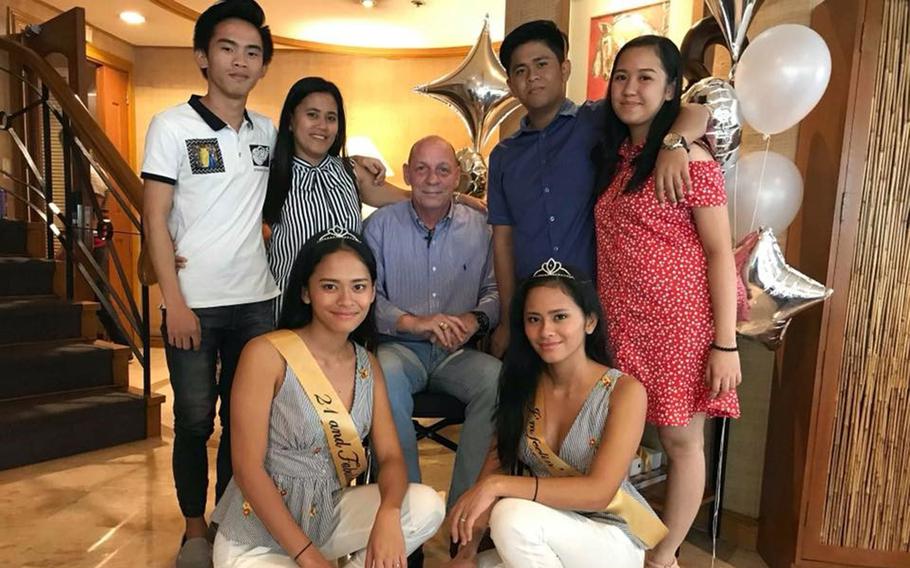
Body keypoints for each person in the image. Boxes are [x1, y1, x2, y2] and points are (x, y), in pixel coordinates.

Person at [212, 227, 445, 567]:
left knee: (425, 506)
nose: (346, 300)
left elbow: (392, 457)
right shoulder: (266, 354)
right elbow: (247, 469)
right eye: (329, 286)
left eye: (359, 287)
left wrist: (389, 513)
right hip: (257, 535)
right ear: (306, 292)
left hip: (327, 518)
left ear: (372, 293)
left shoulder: (369, 367)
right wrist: (309, 558)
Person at [593, 36, 741, 568]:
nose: (630, 88)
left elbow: (721, 254)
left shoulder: (690, 158)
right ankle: (628, 542)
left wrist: (725, 345)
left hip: (678, 326)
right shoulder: (623, 156)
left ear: (670, 87)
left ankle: (665, 556)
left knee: (680, 444)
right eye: (621, 75)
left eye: (646, 77)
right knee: (619, 439)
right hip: (625, 327)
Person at [141, 1, 278, 564]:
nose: (240, 61)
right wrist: (172, 301)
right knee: (195, 419)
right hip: (193, 304)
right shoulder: (172, 125)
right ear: (203, 56)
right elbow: (154, 216)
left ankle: (228, 519)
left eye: (252, 52)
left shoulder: (268, 131)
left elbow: (318, 164)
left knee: (244, 421)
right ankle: (195, 526)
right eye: (228, 48)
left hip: (258, 303)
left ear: (263, 65)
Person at [487, 20, 710, 357]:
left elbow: (697, 111)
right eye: (520, 70)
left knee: (597, 401)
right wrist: (506, 319)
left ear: (565, 69)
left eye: (542, 64)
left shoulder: (598, 120)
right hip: (534, 311)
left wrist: (674, 144)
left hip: (596, 305)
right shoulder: (503, 156)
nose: (532, 76)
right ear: (510, 84)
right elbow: (502, 240)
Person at [444, 260, 665, 568]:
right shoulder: (522, 387)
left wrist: (498, 487)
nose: (546, 331)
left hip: (611, 537)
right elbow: (494, 468)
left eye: (560, 317)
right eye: (534, 319)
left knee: (510, 516)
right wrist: (466, 554)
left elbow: (599, 492)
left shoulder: (624, 391)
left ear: (589, 322)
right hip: (545, 529)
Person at [363, 135, 501, 511]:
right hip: (399, 348)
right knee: (381, 377)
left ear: (457, 176)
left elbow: (496, 290)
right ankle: (408, 512)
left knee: (498, 381)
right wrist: (413, 322)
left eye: (442, 169)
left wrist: (475, 320)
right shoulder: (378, 227)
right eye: (421, 168)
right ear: (407, 174)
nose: (432, 179)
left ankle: (463, 513)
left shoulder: (482, 228)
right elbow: (367, 297)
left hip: (459, 353)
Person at [262, 77, 408, 317]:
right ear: (290, 120)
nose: (322, 125)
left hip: (345, 311)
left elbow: (409, 198)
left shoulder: (352, 172)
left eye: (331, 118)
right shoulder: (268, 174)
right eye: (312, 115)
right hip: (289, 310)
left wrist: (460, 198)